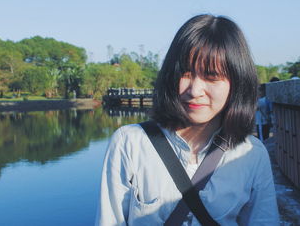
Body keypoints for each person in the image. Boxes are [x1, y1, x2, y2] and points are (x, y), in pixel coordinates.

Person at [95, 14, 279, 225]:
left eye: (212, 77)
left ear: (236, 83)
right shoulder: (130, 142)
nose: (195, 90)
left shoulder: (251, 154)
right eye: (185, 73)